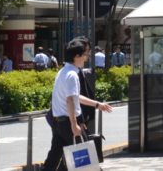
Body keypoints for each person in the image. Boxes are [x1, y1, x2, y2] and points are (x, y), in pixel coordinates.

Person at [42, 37, 113, 171]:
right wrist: (74, 124)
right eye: (86, 54)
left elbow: (75, 96)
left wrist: (97, 104)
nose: (87, 57)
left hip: (59, 123)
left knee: (55, 158)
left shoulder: (63, 71)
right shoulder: (72, 75)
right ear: (77, 56)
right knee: (86, 159)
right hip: (68, 123)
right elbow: (70, 100)